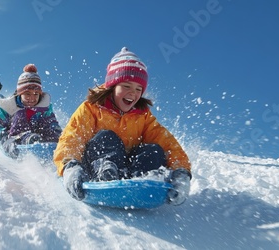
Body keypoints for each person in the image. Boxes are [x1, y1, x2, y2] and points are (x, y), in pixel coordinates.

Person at [53, 47, 192, 205]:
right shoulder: (91, 108)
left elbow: (168, 144)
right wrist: (70, 167)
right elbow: (72, 137)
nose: (133, 93)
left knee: (154, 150)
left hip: (128, 171)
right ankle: (106, 172)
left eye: (138, 89)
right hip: (94, 165)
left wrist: (181, 173)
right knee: (107, 137)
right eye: (127, 86)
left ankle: (143, 180)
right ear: (113, 85)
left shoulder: (143, 116)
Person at [0, 64, 62, 158]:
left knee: (50, 128)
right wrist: (4, 138)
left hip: (39, 137)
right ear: (20, 93)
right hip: (14, 138)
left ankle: (52, 144)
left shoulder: (44, 107)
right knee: (20, 115)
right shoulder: (8, 106)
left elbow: (52, 123)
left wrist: (59, 137)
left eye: (36, 94)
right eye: (27, 93)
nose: (32, 98)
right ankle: (26, 139)